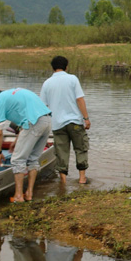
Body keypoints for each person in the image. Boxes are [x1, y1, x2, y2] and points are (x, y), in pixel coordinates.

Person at [0, 83, 52, 202]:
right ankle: (29, 193)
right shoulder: (12, 93)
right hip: (47, 121)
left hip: (33, 123)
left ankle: (18, 196)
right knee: (33, 159)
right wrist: (17, 140)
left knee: (17, 160)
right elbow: (26, 119)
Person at [39, 56, 91, 185]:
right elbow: (80, 99)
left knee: (61, 152)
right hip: (75, 122)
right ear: (66, 66)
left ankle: (63, 181)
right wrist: (86, 118)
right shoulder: (72, 79)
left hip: (57, 124)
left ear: (52, 67)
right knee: (80, 148)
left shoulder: (47, 83)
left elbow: (42, 106)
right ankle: (82, 178)